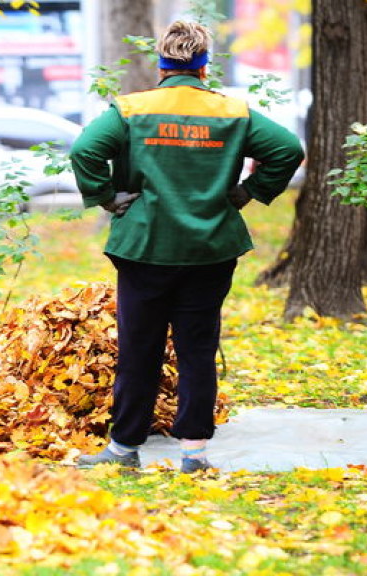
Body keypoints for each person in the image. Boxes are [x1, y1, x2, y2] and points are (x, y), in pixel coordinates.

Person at [70, 21, 304, 473]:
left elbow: (84, 151)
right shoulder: (232, 112)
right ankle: (194, 451)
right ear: (204, 65)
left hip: (145, 247)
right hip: (210, 249)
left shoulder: (132, 109)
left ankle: (123, 448)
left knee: (140, 347)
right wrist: (247, 192)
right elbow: (288, 148)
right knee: (198, 348)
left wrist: (105, 198)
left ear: (161, 62)